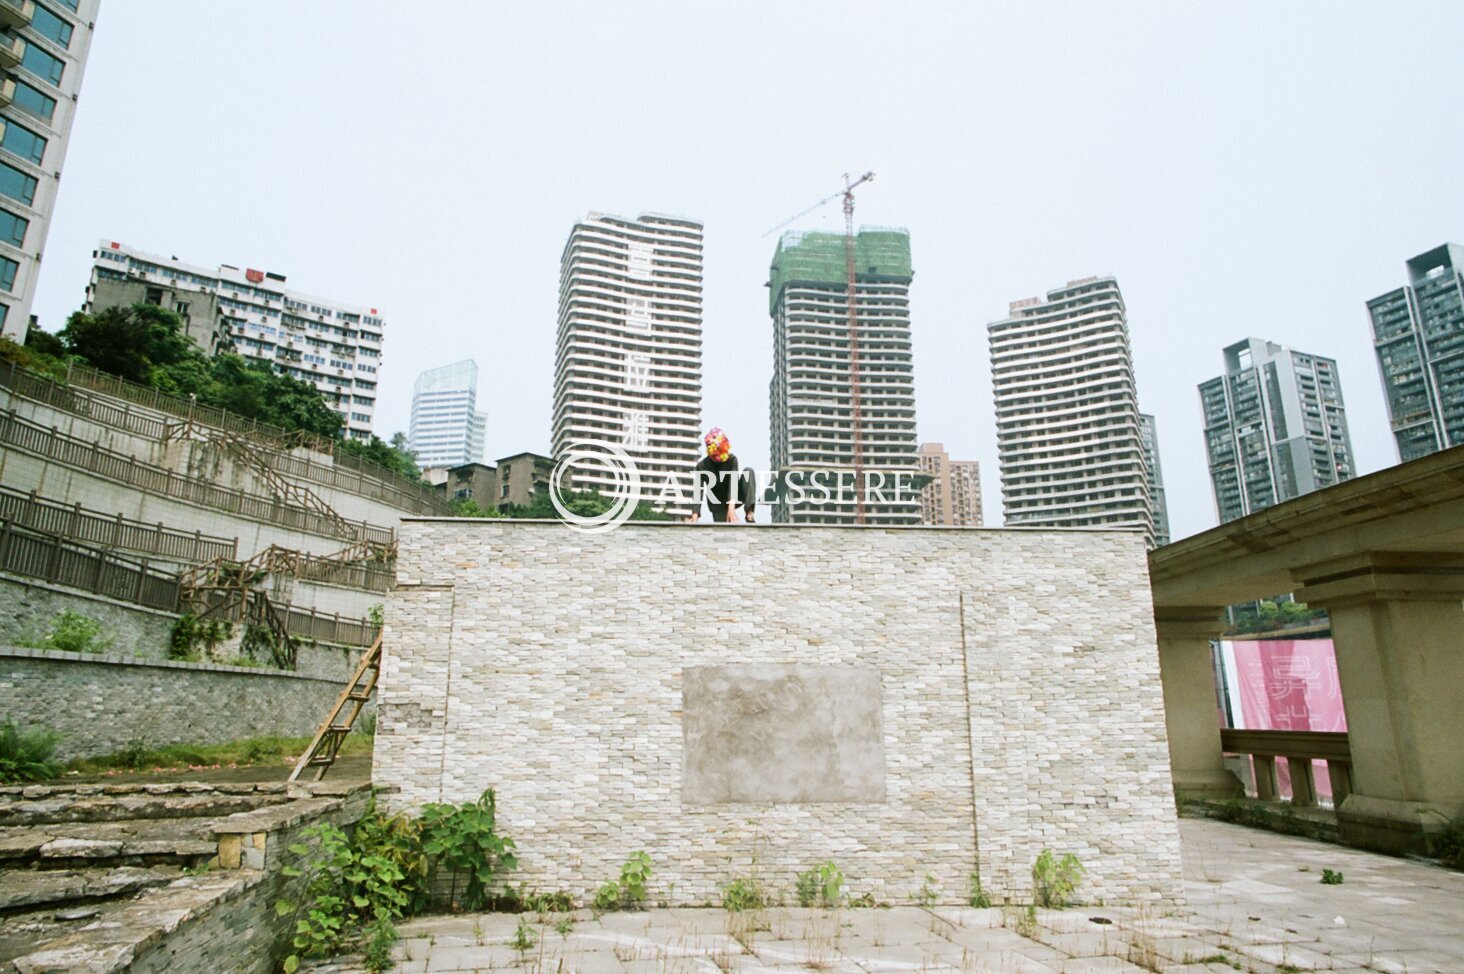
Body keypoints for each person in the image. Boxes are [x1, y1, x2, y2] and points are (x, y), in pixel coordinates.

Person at [687, 427, 756, 523]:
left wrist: (731, 508)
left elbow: (734, 481)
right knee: (723, 531)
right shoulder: (702, 466)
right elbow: (698, 492)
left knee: (749, 471)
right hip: (717, 502)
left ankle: (749, 513)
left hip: (734, 495)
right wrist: (695, 517)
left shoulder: (731, 460)